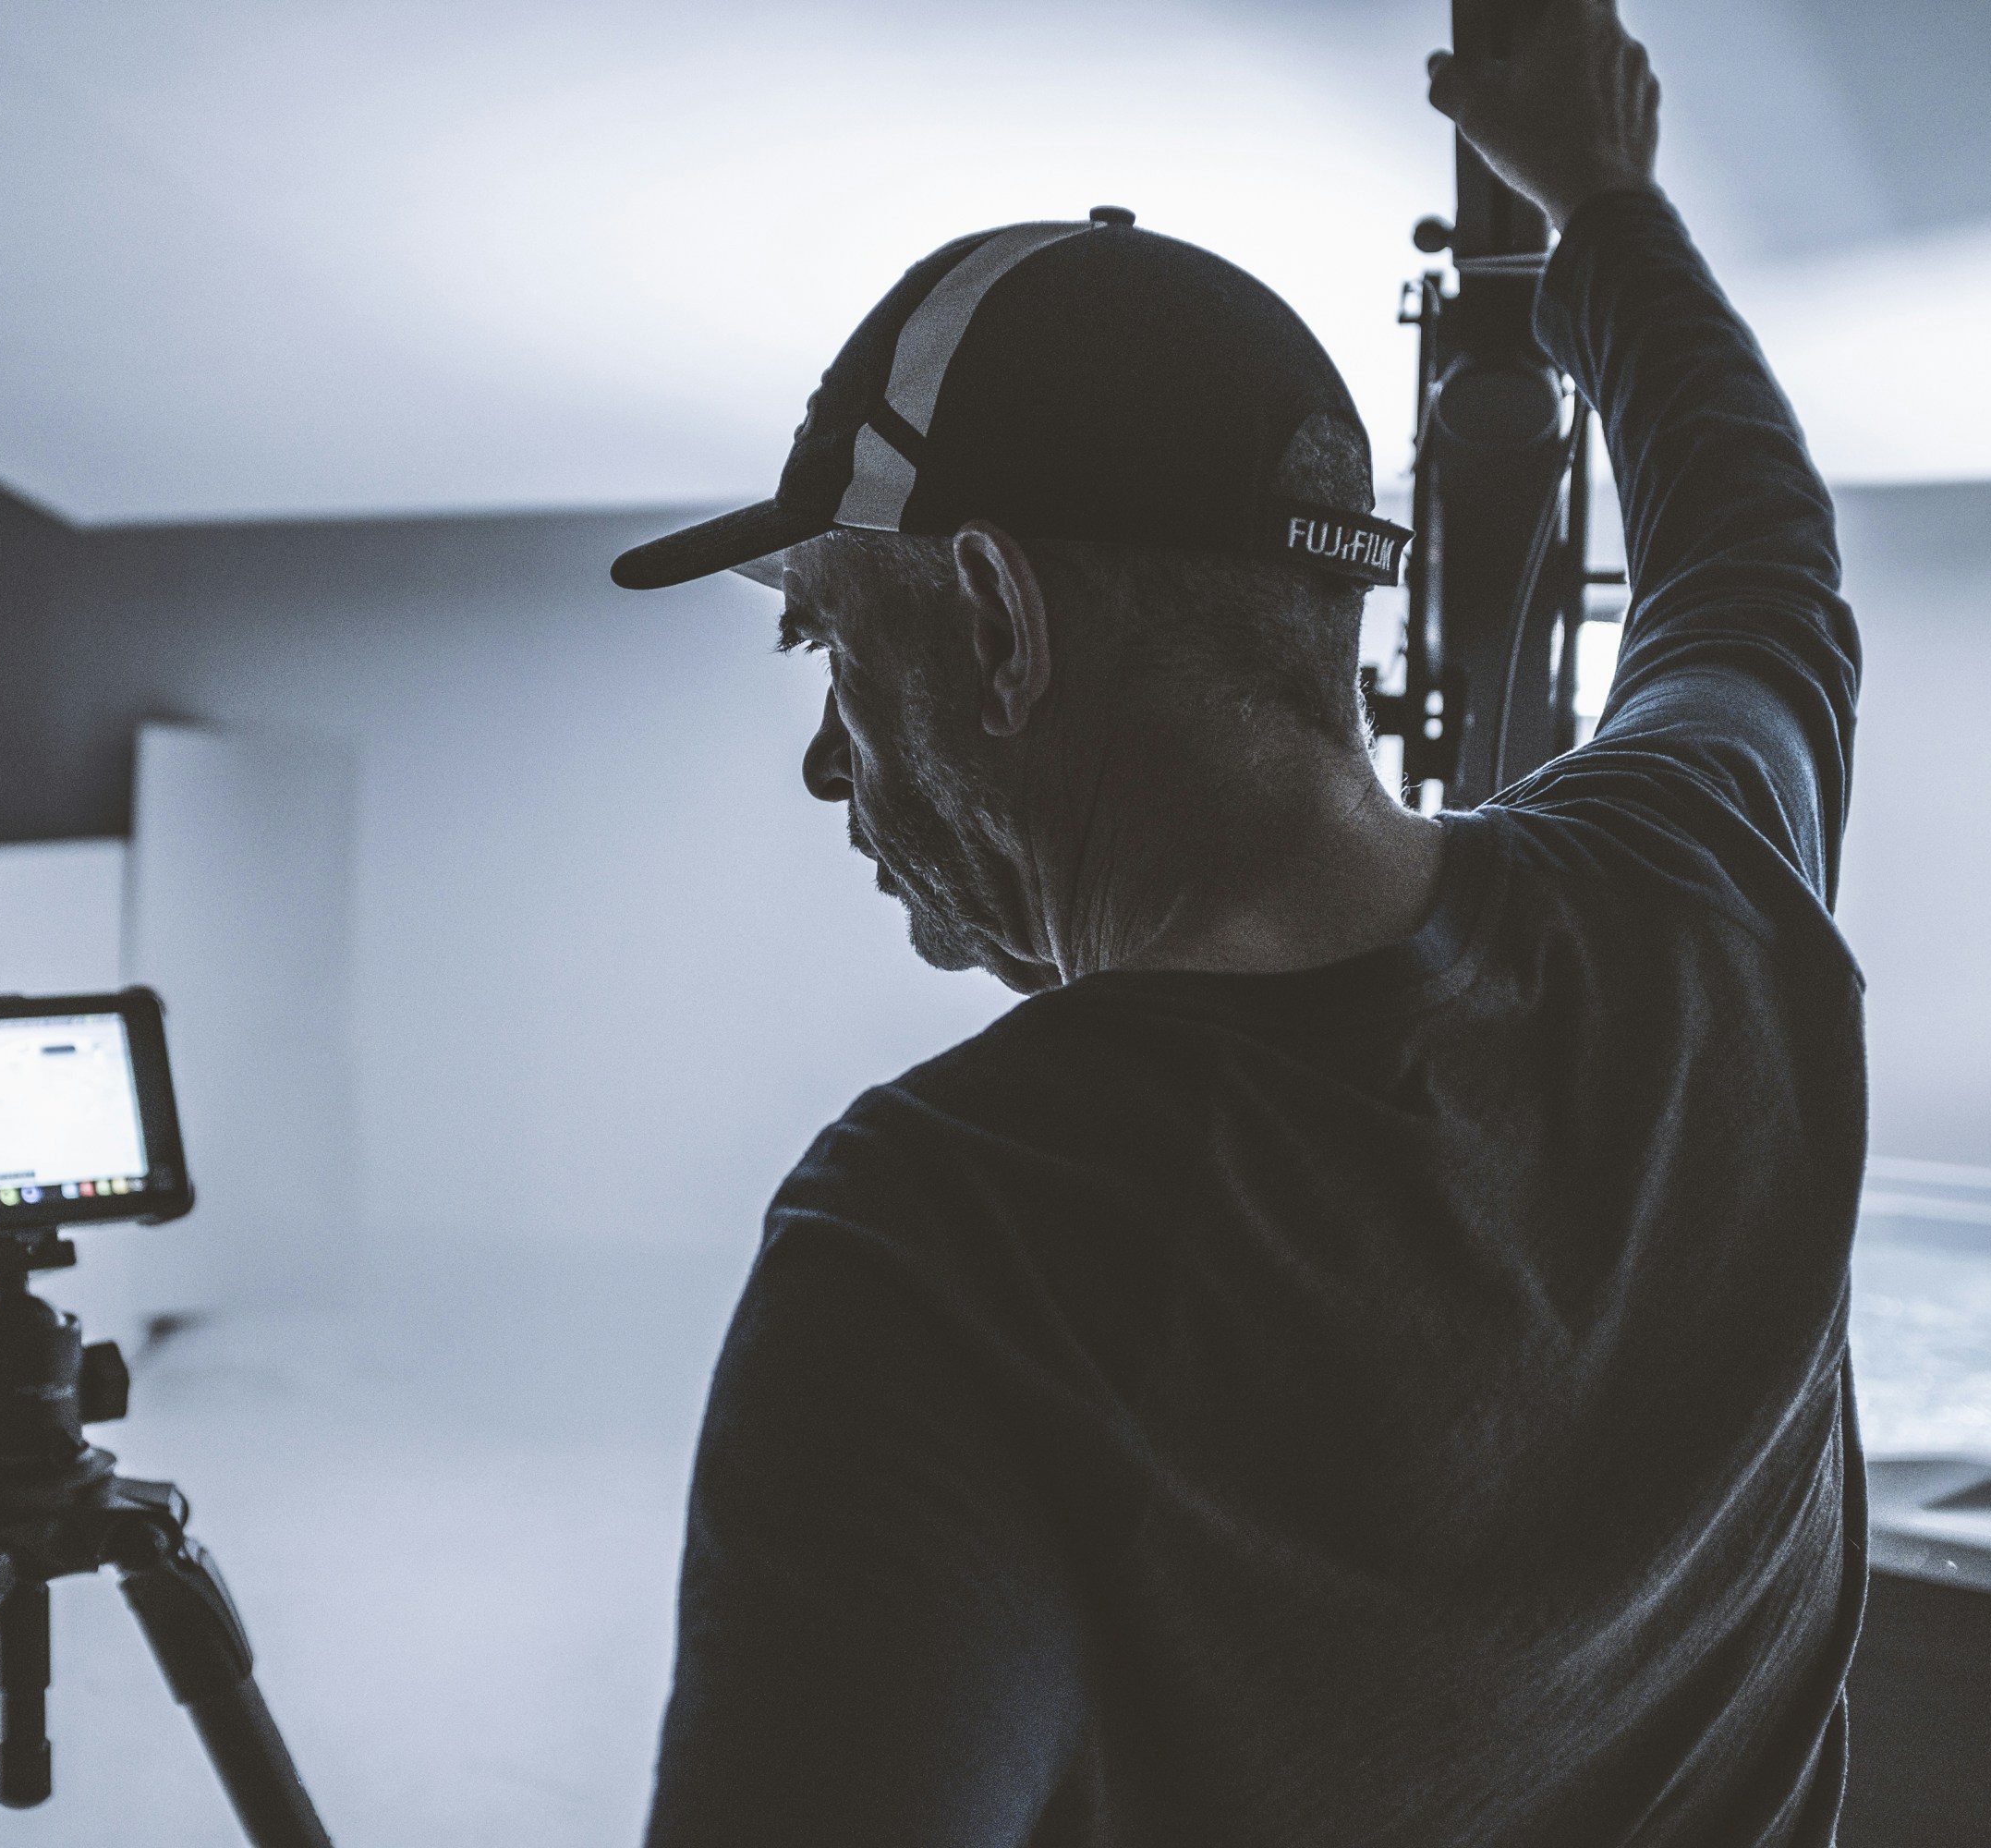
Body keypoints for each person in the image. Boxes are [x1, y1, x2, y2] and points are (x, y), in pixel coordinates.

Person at [609, 0, 1864, 1839]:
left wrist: (1597, 197)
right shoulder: (1712, 889)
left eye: (832, 644)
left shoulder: (946, 1247)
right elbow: (1759, 555)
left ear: (995, 621)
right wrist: (1602, 194)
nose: (827, 762)